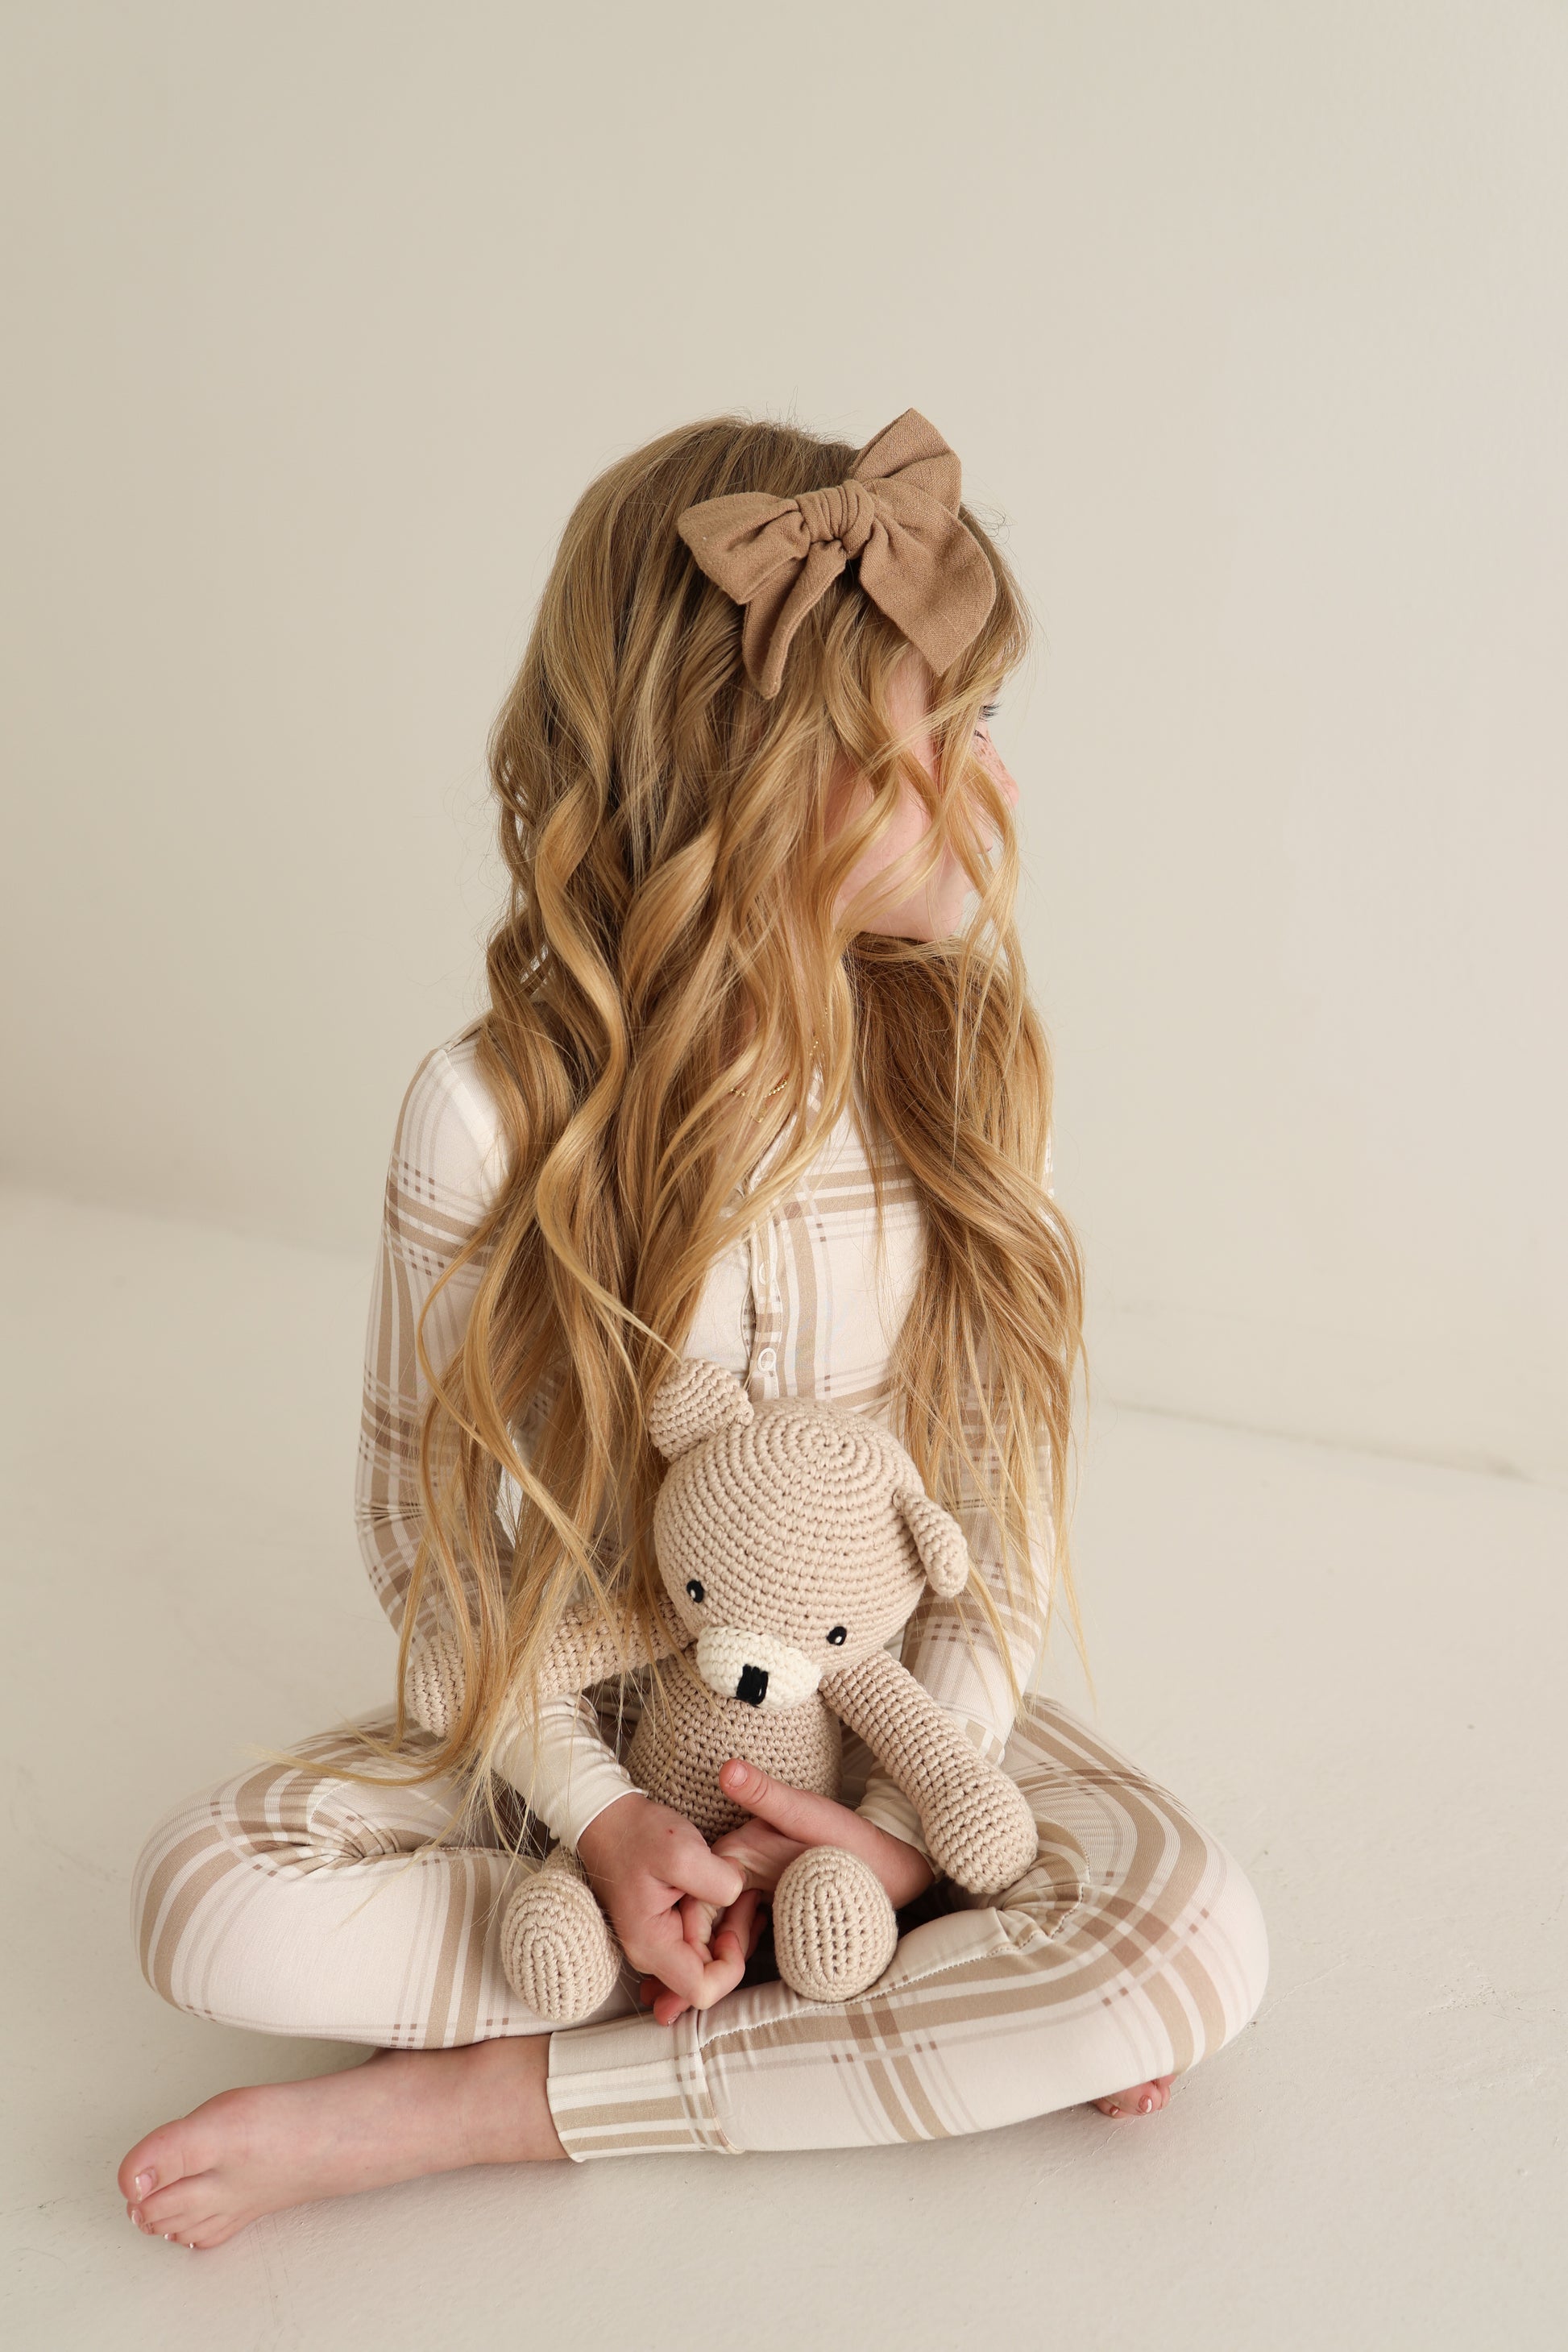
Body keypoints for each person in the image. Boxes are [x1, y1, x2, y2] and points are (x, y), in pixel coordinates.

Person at [118, 409, 1267, 2250]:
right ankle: (877, 2000)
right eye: (947, 737)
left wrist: (891, 1828)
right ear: (758, 768)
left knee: (1203, 1941)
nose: (1004, 790)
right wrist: (594, 1816)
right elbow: (429, 1550)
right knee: (205, 1901)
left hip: (888, 1729)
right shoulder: (486, 1112)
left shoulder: (956, 1087)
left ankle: (490, 2101)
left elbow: (995, 1541)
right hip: (584, 1726)